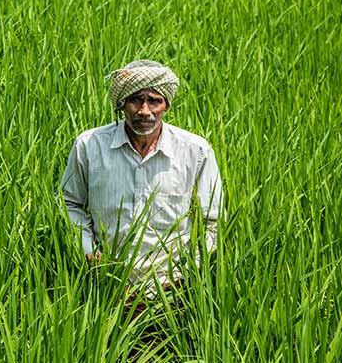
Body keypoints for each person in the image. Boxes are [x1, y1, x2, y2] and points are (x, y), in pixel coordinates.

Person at [60, 59, 223, 295]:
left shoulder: (195, 151)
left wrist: (190, 270)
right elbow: (70, 203)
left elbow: (213, 221)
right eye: (136, 99)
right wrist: (87, 249)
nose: (144, 111)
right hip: (106, 283)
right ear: (121, 104)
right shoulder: (90, 146)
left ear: (166, 105)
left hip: (175, 288)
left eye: (154, 101)